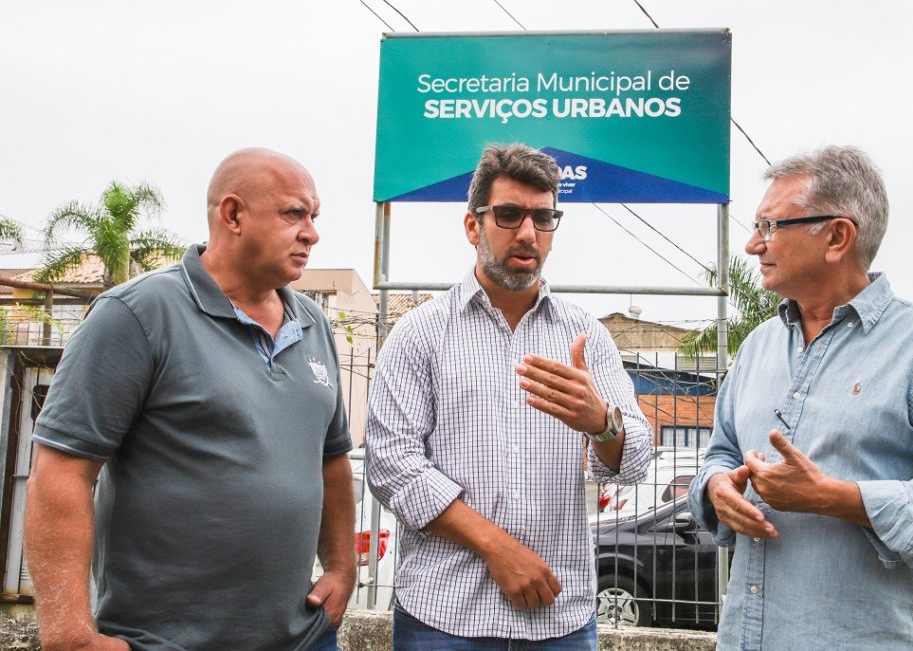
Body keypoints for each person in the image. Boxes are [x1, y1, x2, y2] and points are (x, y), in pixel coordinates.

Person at [24, 148, 356, 651]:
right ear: (233, 215)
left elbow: (331, 459)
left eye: (313, 216)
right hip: (165, 640)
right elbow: (62, 473)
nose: (311, 233)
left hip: (302, 636)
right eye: (294, 214)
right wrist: (69, 634)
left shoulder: (312, 324)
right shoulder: (137, 315)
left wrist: (342, 567)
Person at [688, 145, 913, 650]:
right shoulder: (758, 346)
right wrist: (716, 488)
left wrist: (837, 498)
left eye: (771, 226)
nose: (753, 244)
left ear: (837, 236)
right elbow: (721, 454)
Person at [365, 143, 653, 649]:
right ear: (473, 225)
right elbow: (392, 465)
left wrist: (601, 423)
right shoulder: (420, 334)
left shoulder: (585, 335)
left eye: (543, 218)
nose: (527, 233)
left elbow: (633, 463)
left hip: (558, 620)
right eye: (509, 214)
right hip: (443, 617)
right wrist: (498, 548)